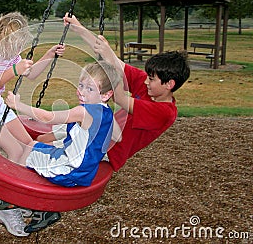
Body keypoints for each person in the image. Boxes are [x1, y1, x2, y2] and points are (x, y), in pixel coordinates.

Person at [0, 12, 65, 237]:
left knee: (29, 143)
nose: (16, 50)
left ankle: (16, 196)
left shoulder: (11, 55)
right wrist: (13, 71)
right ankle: (4, 206)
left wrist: (48, 54)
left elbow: (31, 74)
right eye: (14, 44)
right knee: (15, 149)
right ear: (2, 37)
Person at [63, 13, 191, 171]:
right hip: (98, 135)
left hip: (108, 151)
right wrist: (78, 28)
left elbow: (119, 98)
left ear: (169, 84)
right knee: (48, 137)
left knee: (46, 149)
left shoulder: (165, 112)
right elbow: (118, 64)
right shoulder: (150, 87)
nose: (145, 81)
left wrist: (109, 57)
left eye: (151, 79)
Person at [5, 60, 121, 233]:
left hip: (69, 170)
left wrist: (18, 105)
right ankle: (40, 209)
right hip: (85, 171)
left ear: (106, 95)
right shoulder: (106, 112)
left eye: (90, 89)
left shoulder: (83, 111)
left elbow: (47, 117)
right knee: (44, 144)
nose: (81, 92)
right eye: (81, 85)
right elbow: (118, 137)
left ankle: (18, 198)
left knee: (30, 146)